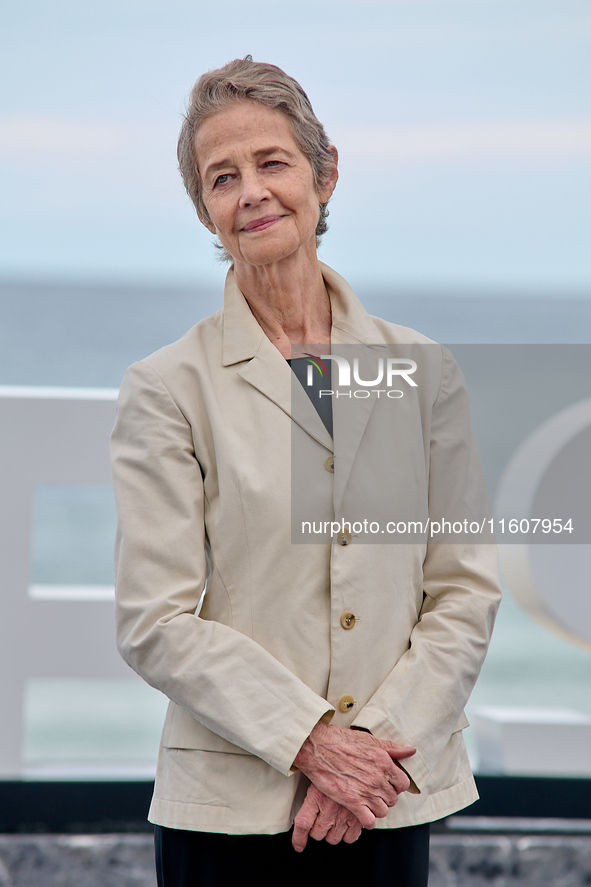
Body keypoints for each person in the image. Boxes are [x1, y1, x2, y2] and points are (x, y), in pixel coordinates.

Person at [110, 57, 501, 886]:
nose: (251, 191)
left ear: (324, 174)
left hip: (386, 798)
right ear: (206, 212)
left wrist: (368, 753)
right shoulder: (167, 387)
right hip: (228, 814)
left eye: (272, 163)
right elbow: (156, 618)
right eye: (222, 177)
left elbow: (462, 589)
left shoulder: (424, 372)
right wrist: (311, 741)